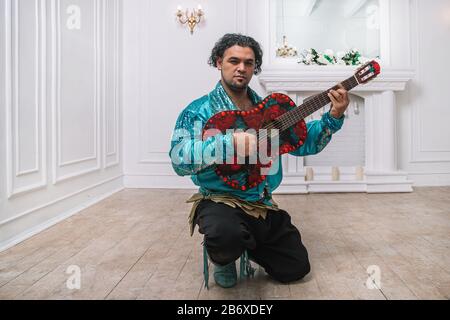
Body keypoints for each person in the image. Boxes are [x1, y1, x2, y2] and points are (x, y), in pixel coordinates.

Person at [169, 33, 349, 289]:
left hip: (260, 202)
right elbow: (178, 160)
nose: (241, 68)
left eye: (249, 62)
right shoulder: (198, 110)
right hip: (218, 200)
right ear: (219, 62)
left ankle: (247, 242)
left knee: (295, 268)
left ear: (255, 67)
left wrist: (334, 116)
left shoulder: (269, 111)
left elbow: (304, 142)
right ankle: (224, 257)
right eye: (234, 60)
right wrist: (226, 144)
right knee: (224, 234)